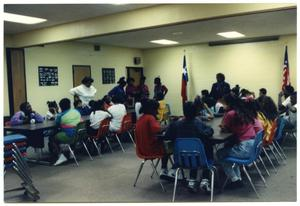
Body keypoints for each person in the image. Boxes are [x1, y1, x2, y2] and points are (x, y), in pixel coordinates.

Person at [164, 101, 214, 193]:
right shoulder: (198, 124)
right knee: (207, 146)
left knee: (192, 152)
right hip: (199, 159)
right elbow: (209, 131)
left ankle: (192, 180)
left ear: (184, 112)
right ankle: (205, 180)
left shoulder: (176, 124)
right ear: (196, 112)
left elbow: (167, 136)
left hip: (181, 160)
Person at [217, 94, 257, 189]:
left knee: (220, 154)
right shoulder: (244, 111)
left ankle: (234, 179)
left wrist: (225, 117)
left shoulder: (230, 113)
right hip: (253, 146)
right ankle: (238, 178)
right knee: (228, 148)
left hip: (244, 149)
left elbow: (223, 127)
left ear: (228, 104)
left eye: (224, 103)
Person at [135, 99, 169, 178]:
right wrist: (168, 126)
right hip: (150, 149)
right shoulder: (150, 118)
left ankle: (164, 169)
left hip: (141, 149)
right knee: (168, 147)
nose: (157, 111)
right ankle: (164, 170)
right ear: (153, 109)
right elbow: (158, 129)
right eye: (156, 109)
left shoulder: (141, 118)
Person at [52, 98, 81, 166]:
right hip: (79, 135)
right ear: (70, 105)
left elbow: (56, 124)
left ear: (61, 107)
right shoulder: (76, 111)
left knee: (53, 138)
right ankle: (71, 153)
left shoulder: (61, 115)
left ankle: (61, 156)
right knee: (71, 131)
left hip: (69, 136)